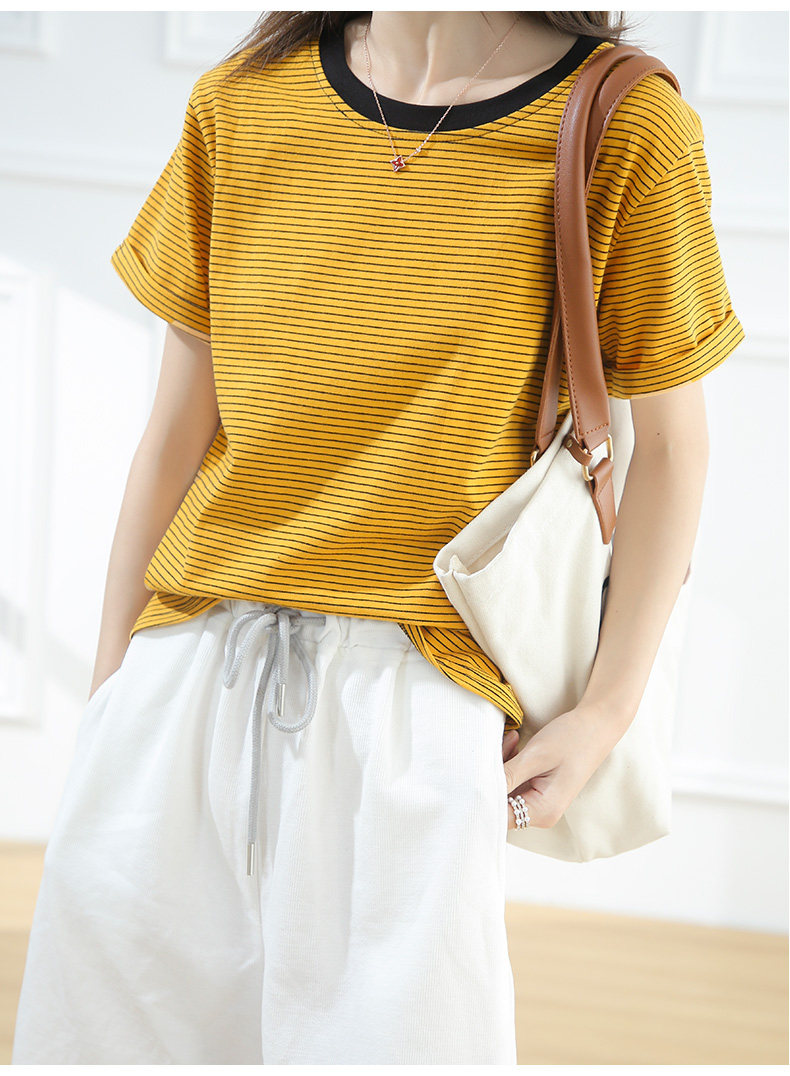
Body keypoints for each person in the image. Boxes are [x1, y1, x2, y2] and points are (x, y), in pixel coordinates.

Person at [12, 10, 744, 1065]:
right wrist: (109, 695)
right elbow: (175, 431)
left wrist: (605, 714)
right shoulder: (242, 100)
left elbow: (670, 449)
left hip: (419, 695)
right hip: (185, 665)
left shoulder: (622, 122)